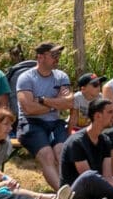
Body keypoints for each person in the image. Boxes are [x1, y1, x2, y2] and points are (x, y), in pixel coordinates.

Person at [13, 42, 73, 188]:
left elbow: (69, 103)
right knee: (47, 155)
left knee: (61, 153)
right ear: (40, 57)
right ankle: (64, 193)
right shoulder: (26, 78)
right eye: (53, 55)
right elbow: (28, 108)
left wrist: (42, 100)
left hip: (55, 123)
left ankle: (71, 189)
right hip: (30, 123)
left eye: (58, 55)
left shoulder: (61, 76)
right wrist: (56, 103)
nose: (57, 58)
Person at [55, 99, 113, 199]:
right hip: (77, 190)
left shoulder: (105, 140)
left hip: (100, 182)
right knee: (90, 175)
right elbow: (87, 177)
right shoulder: (76, 142)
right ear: (97, 116)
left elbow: (107, 176)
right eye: (110, 112)